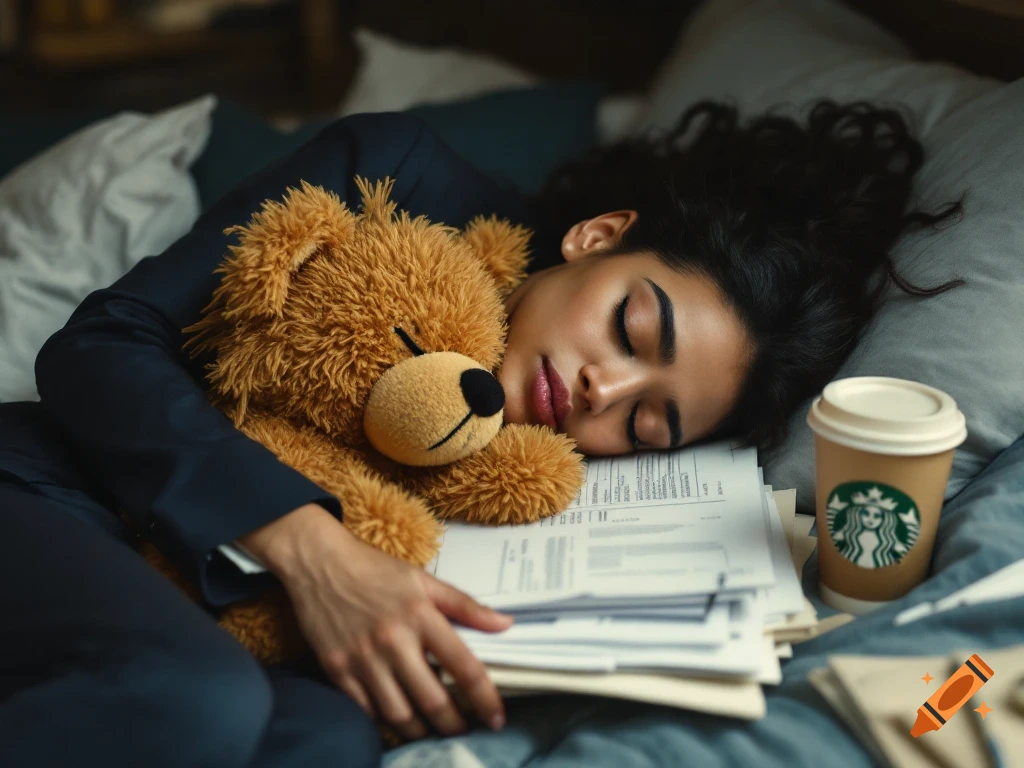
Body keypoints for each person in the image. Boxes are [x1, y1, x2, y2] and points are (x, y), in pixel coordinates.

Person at [0, 100, 961, 767]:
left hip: (223, 616)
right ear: (598, 234)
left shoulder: (553, 467)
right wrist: (318, 555)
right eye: (631, 328)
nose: (602, 391)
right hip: (59, 491)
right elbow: (99, 344)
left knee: (325, 746)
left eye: (648, 420)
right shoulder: (395, 175)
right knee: (196, 699)